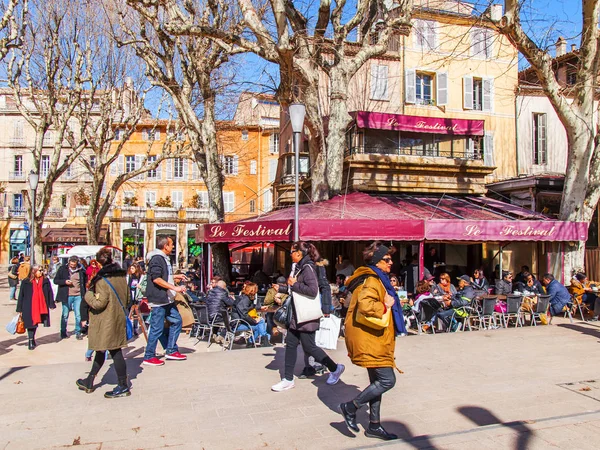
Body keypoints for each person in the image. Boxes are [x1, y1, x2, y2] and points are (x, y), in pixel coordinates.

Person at [340, 241, 398, 440]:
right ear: (377, 261)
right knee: (387, 380)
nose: (391, 263)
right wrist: (385, 305)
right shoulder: (373, 280)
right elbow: (366, 305)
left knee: (376, 382)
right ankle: (350, 406)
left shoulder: (374, 277)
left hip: (371, 337)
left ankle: (374, 425)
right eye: (387, 259)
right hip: (371, 338)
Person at [271, 241, 345, 392]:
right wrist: (284, 287)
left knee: (309, 347)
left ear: (299, 253)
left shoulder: (308, 267)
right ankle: (288, 379)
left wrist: (293, 284)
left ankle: (335, 368)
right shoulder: (300, 267)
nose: (290, 254)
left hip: (306, 315)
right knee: (291, 345)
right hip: (297, 315)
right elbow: (297, 290)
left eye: (292, 251)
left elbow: (312, 290)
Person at [76, 247, 131, 398]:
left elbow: (99, 303)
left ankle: (123, 385)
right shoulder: (121, 277)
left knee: (115, 351)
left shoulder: (101, 280)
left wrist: (88, 295)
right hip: (117, 318)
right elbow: (127, 300)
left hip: (106, 320)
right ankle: (89, 380)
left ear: (99, 264)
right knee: (101, 349)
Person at [143, 236, 188, 366]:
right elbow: (156, 278)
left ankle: (171, 350)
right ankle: (149, 355)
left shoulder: (163, 258)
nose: (173, 246)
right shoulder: (157, 258)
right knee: (157, 328)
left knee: (177, 320)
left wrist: (174, 276)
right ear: (165, 246)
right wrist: (175, 287)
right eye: (171, 244)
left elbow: (162, 276)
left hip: (166, 298)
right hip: (159, 299)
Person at [16, 264, 56, 350]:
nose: (41, 272)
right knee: (30, 323)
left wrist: (51, 304)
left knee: (36, 323)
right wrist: (19, 308)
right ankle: (31, 339)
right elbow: (21, 295)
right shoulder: (26, 281)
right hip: (28, 305)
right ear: (34, 271)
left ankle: (32, 337)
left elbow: (49, 293)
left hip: (41, 305)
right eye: (39, 270)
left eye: (42, 270)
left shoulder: (45, 281)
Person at [54, 256, 87, 340]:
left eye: (74, 264)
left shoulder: (81, 270)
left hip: (78, 295)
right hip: (67, 295)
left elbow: (85, 281)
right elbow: (56, 280)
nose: (72, 266)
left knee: (78, 314)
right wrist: (64, 282)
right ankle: (63, 331)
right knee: (65, 314)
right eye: (71, 264)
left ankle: (78, 332)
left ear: (77, 263)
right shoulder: (62, 269)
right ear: (69, 263)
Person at [231, 282, 271, 347]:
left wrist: (260, 307)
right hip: (237, 325)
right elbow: (244, 315)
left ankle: (256, 341)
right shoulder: (244, 299)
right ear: (253, 290)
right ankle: (262, 340)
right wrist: (254, 321)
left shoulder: (244, 297)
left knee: (260, 323)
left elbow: (249, 307)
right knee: (260, 322)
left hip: (238, 322)